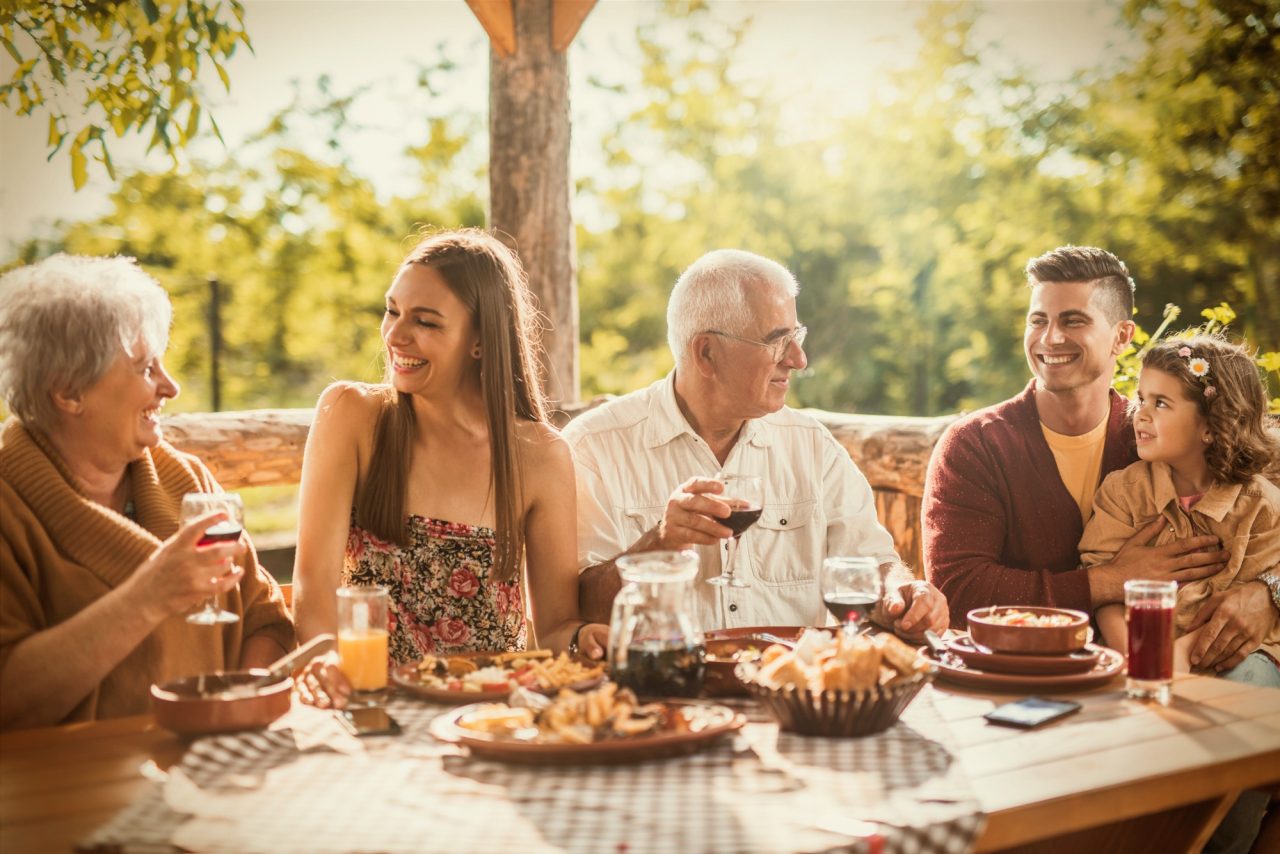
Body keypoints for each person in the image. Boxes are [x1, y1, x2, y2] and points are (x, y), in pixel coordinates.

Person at [293, 229, 608, 708]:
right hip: (375, 706)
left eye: (426, 322)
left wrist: (581, 637)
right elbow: (313, 587)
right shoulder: (352, 416)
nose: (395, 335)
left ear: (480, 341)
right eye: (392, 310)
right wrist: (329, 662)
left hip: (490, 717)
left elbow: (554, 629)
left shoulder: (540, 455)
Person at [568, 249, 948, 637]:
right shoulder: (592, 449)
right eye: (778, 341)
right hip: (660, 692)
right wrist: (659, 542)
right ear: (707, 353)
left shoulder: (813, 447)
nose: (799, 359)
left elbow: (873, 564)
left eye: (796, 336)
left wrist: (902, 594)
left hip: (795, 689)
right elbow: (577, 609)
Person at [0, 254, 295, 728]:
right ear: (69, 392)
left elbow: (265, 621)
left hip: (202, 768)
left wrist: (235, 702)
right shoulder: (9, 508)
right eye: (144, 368)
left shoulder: (189, 483)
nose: (171, 386)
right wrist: (149, 596)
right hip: (64, 788)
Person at [1082, 335, 1280, 682]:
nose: (1139, 413)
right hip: (1133, 655)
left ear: (1210, 426)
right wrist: (1134, 656)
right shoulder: (1122, 491)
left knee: (1252, 679)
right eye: (1142, 398)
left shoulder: (1261, 508)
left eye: (1160, 403)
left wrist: (1176, 659)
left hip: (1233, 660)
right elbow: (1105, 591)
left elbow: (1244, 620)